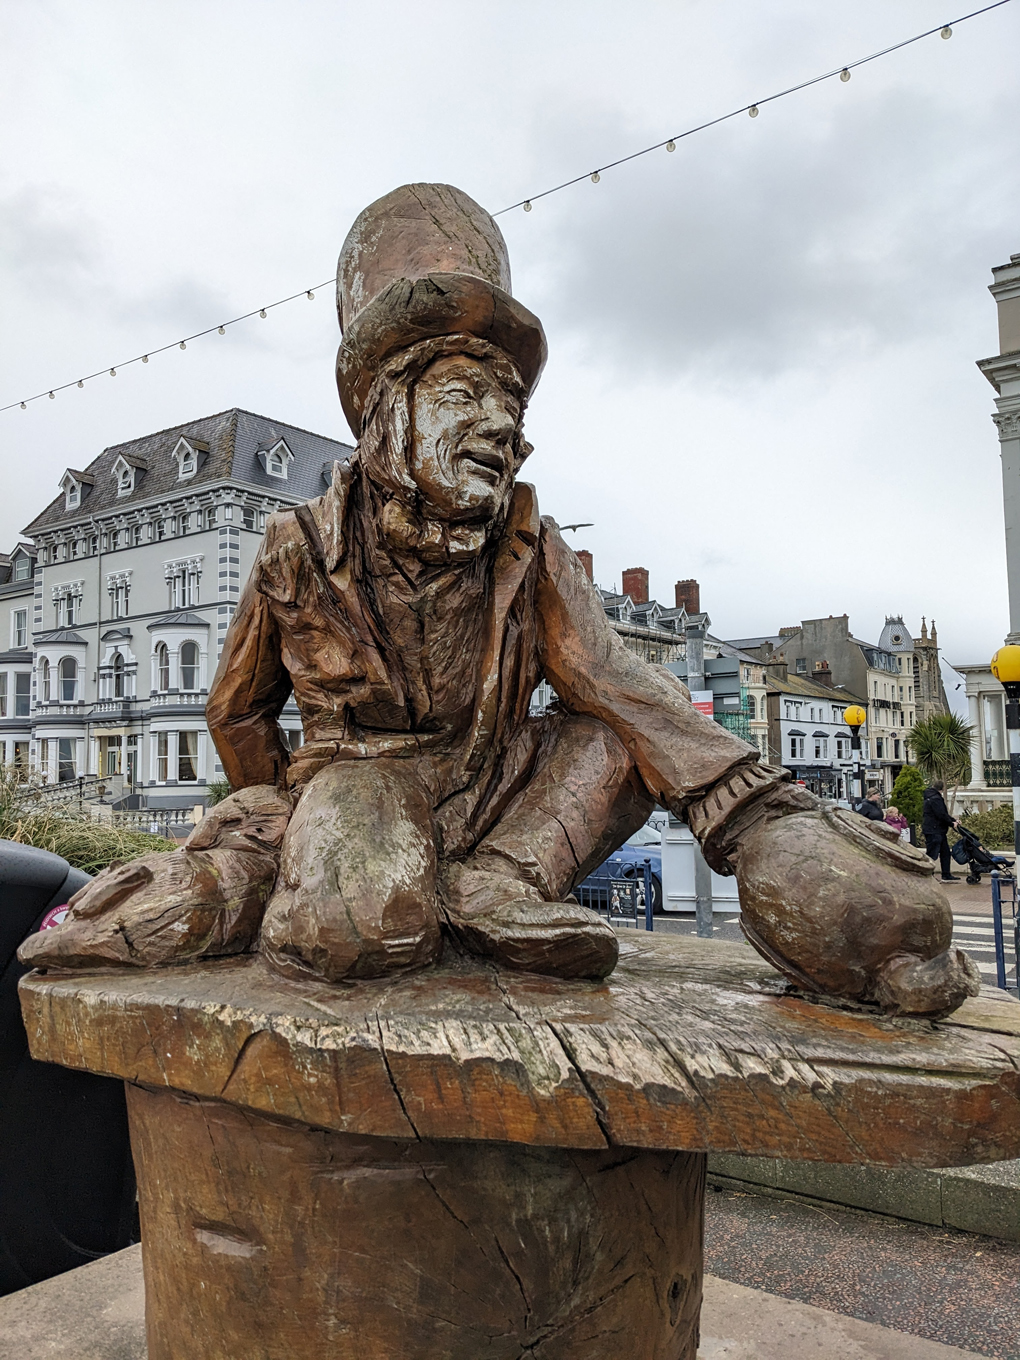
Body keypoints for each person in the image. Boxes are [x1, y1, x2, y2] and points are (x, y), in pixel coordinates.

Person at [18, 183, 980, 1017]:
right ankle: (312, 883)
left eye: (512, 407)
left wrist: (764, 822)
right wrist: (279, 804)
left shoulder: (530, 543)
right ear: (392, 407)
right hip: (365, 783)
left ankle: (497, 886)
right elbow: (235, 709)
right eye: (469, 396)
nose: (502, 429)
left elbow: (613, 680)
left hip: (501, 798)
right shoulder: (296, 546)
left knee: (616, 739)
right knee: (353, 932)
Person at [922, 781, 960, 882]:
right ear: (942, 789)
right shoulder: (936, 798)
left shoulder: (929, 796)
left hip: (935, 829)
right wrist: (952, 823)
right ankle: (929, 874)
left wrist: (953, 820)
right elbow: (941, 814)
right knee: (932, 854)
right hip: (935, 830)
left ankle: (946, 874)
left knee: (945, 853)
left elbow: (942, 814)